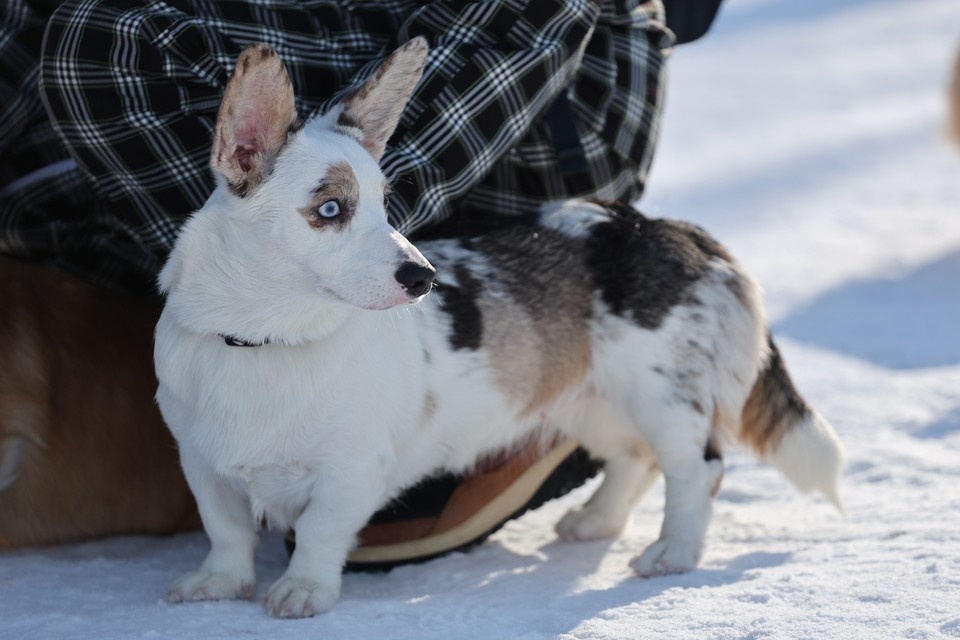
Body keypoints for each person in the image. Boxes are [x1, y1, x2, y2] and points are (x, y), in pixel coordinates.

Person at [0, 0, 719, 568]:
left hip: (549, 97)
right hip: (110, 181)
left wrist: (346, 199)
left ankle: (522, 374)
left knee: (104, 41)